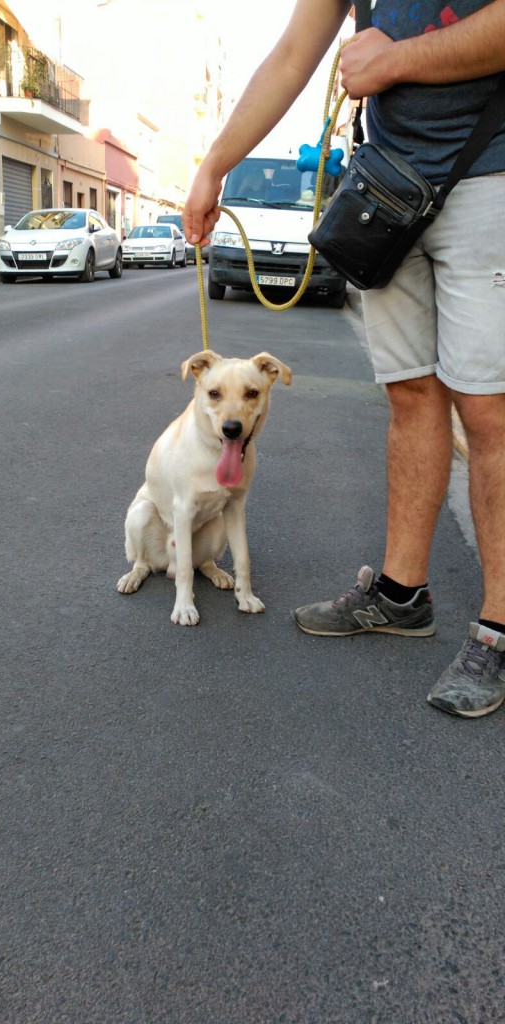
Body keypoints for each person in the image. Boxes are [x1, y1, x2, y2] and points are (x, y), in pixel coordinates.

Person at [183, 0, 505, 718]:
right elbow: (296, 52)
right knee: (412, 396)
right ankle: (401, 594)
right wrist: (215, 163)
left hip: (491, 176)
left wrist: (393, 61)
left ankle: (497, 632)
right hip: (389, 188)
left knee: (489, 412)